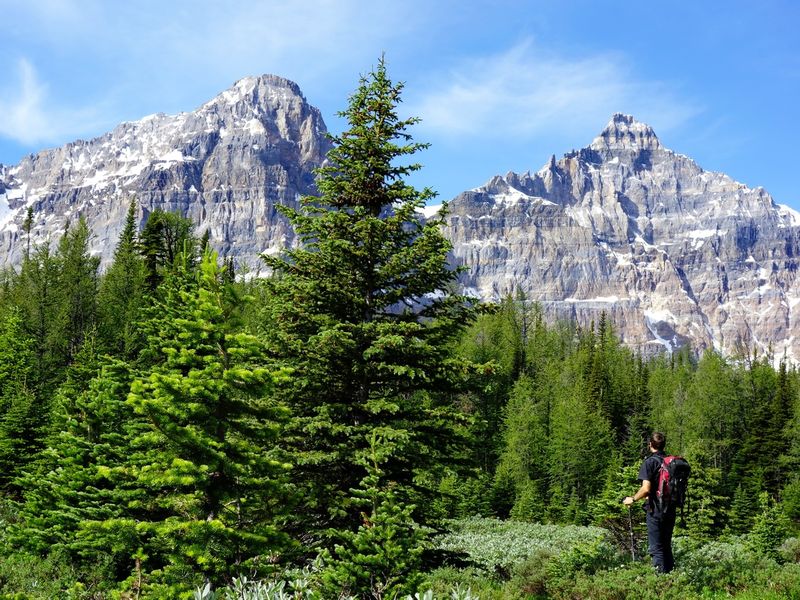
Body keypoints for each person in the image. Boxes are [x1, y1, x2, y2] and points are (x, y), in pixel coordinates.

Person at [623, 432, 676, 573]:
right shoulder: (670, 462)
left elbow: (646, 489)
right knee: (666, 546)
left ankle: (660, 583)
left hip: (655, 509)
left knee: (656, 548)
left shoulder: (650, 462)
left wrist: (632, 499)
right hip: (670, 508)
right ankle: (671, 579)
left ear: (650, 445)